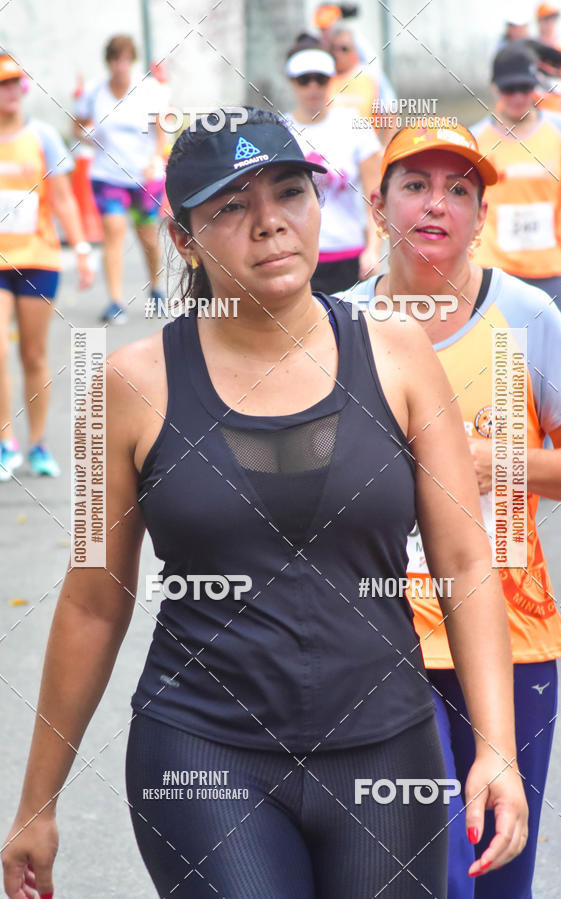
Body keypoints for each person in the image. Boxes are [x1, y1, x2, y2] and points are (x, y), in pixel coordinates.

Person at [2, 108, 527, 898]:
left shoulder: (400, 352)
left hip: (387, 749)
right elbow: (90, 601)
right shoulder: (126, 386)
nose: (270, 224)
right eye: (231, 206)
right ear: (182, 239)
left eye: (290, 192)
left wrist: (497, 745)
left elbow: (463, 559)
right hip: (202, 752)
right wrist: (36, 802)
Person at [338, 121, 561, 899]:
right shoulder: (336, 324)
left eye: (460, 189)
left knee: (496, 875)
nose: (437, 203)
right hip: (371, 638)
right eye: (415, 184)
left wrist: (497, 461)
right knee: (405, 874)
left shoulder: (525, 317)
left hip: (510, 640)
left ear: (482, 216)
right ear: (379, 203)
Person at [0, 53, 93, 481]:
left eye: (14, 82)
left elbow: (62, 199)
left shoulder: (43, 138)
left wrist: (81, 250)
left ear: (25, 87)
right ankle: (7, 441)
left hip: (38, 259)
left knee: (33, 354)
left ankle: (38, 443)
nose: (9, 91)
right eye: (2, 84)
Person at [471, 42, 561, 318]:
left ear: (536, 86)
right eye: (509, 88)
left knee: (546, 361)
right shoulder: (475, 140)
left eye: (525, 88)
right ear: (494, 87)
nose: (518, 96)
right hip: (495, 276)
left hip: (551, 274)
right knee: (505, 359)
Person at [73, 34, 169, 324]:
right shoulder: (94, 91)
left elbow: (162, 130)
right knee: (113, 233)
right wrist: (90, 138)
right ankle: (115, 301)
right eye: (116, 59)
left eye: (126, 59)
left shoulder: (149, 89)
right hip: (107, 175)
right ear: (109, 61)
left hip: (144, 175)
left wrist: (156, 160)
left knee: (148, 237)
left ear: (132, 60)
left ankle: (156, 288)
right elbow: (76, 126)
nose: (121, 65)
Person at [285, 42, 382, 292]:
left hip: (349, 256)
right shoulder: (280, 131)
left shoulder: (354, 126)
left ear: (331, 80)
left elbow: (376, 195)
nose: (313, 87)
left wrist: (373, 249)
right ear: (292, 82)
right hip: (297, 257)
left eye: (321, 79)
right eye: (304, 80)